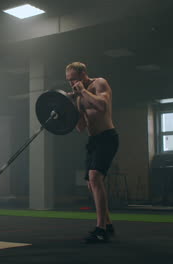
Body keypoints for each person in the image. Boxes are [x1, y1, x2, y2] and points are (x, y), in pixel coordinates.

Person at [65, 62, 119, 243]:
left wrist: (82, 92)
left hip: (108, 137)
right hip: (93, 140)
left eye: (74, 78)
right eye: (69, 80)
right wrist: (72, 105)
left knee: (95, 177)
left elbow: (102, 106)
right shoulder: (79, 97)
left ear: (83, 74)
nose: (72, 83)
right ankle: (109, 225)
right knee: (91, 183)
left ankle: (100, 229)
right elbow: (80, 127)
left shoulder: (99, 83)